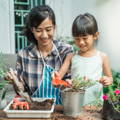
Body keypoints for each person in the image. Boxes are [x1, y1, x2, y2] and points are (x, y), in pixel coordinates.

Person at [5, 5, 73, 105]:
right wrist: (14, 80)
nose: (44, 35)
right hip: (35, 110)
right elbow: (21, 89)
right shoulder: (24, 55)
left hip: (62, 110)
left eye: (48, 29)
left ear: (54, 27)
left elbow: (72, 80)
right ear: (32, 30)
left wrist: (69, 83)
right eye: (38, 30)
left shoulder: (66, 51)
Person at [54, 13, 113, 105]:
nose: (81, 42)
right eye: (77, 39)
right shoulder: (71, 57)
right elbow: (57, 80)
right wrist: (61, 81)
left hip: (96, 106)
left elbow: (110, 78)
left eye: (85, 38)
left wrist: (107, 80)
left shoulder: (102, 57)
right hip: (75, 105)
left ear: (95, 35)